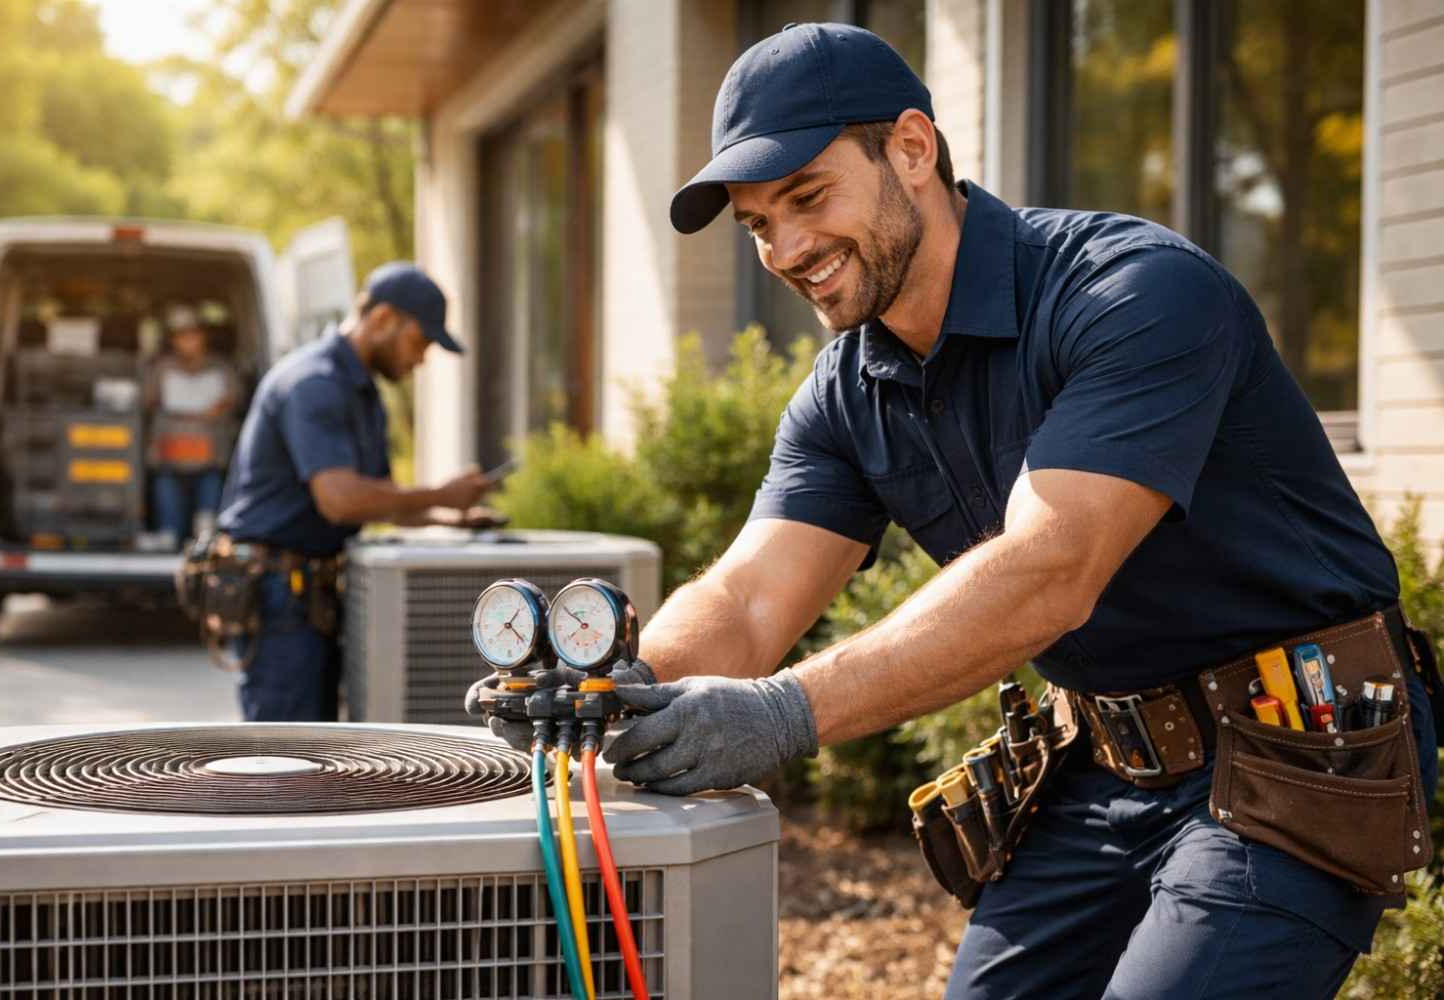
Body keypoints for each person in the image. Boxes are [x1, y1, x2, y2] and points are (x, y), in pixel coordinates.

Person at [468, 23, 1441, 999]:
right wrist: (610, 693)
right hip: (1102, 764)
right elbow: (752, 592)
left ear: (912, 149)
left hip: (1298, 738)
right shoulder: (849, 389)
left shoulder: (1132, 293)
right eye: (759, 224)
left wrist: (784, 712)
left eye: (807, 197)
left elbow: (1050, 570)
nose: (787, 247)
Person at [218, 262, 494, 722]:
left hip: (316, 593)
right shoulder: (314, 384)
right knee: (286, 756)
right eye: (420, 341)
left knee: (326, 748)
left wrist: (453, 519)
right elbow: (341, 499)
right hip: (278, 594)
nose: (421, 359)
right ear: (384, 318)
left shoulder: (361, 393)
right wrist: (440, 495)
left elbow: (379, 496)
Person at [145, 304, 238, 546]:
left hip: (209, 462)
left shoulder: (222, 369)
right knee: (169, 529)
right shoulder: (161, 369)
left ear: (202, 336)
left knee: (206, 529)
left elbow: (232, 401)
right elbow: (148, 402)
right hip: (169, 460)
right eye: (180, 336)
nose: (187, 341)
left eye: (192, 334)